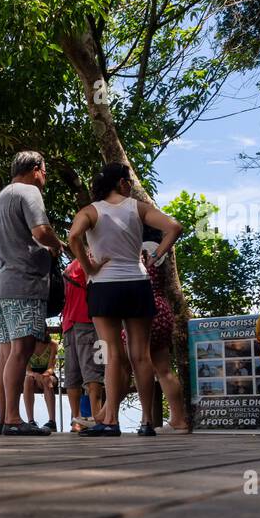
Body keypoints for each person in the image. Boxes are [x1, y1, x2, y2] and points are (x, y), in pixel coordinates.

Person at [67, 162, 182, 437]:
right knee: (141, 356)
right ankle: (145, 422)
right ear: (121, 183)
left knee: (113, 356)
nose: (129, 184)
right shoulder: (137, 208)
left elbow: (73, 238)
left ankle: (111, 422)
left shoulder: (90, 211)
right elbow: (174, 227)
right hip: (136, 282)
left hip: (104, 286)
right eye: (128, 180)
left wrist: (89, 268)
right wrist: (155, 256)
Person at [0, 150, 64, 436]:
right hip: (24, 283)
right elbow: (41, 231)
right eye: (45, 171)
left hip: (2, 284)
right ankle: (13, 419)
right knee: (22, 350)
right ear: (35, 169)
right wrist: (58, 245)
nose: (45, 177)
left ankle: (4, 417)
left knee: (7, 353)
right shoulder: (29, 193)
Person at [139, 239, 189, 432]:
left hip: (141, 310)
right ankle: (179, 419)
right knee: (164, 369)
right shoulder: (157, 249)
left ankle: (105, 416)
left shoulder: (136, 249)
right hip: (161, 307)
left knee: (124, 365)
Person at [61, 257, 104, 431]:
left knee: (73, 376)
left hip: (68, 323)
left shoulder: (71, 265)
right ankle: (96, 418)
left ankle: (77, 420)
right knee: (94, 373)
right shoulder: (91, 260)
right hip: (88, 321)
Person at [23, 331, 58, 431]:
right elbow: (27, 370)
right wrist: (35, 375)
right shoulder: (27, 346)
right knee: (27, 380)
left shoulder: (52, 345)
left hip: (48, 374)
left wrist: (43, 376)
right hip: (32, 375)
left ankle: (52, 421)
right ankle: (31, 421)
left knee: (47, 380)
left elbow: (51, 368)